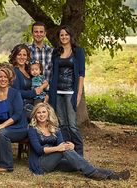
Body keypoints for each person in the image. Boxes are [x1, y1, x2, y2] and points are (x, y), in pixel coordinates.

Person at [28, 103, 130, 180]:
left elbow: (61, 144)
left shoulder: (54, 127)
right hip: (41, 163)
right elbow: (38, 150)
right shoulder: (32, 129)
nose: (41, 115)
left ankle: (113, 175)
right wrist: (60, 148)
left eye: (43, 112)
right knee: (65, 149)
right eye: (38, 112)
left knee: (78, 164)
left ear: (48, 113)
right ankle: (92, 174)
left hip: (55, 161)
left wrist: (70, 146)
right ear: (35, 115)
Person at [49, 25, 85, 156]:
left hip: (71, 92)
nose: (64, 37)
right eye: (61, 35)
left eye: (66, 35)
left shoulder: (78, 51)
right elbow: (52, 72)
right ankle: (68, 153)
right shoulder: (56, 52)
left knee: (72, 124)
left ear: (70, 36)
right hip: (57, 92)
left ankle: (79, 153)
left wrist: (79, 94)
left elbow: (81, 74)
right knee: (62, 123)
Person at [0, 62, 28, 172]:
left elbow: (18, 115)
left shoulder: (15, 93)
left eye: (5, 77)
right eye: (0, 77)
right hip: (0, 125)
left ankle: (6, 165)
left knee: (1, 132)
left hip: (18, 126)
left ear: (9, 79)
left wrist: (2, 126)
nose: (3, 79)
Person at [10, 44, 47, 118]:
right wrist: (34, 92)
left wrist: (44, 92)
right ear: (15, 56)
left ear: (27, 57)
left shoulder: (29, 69)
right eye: (19, 54)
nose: (22, 57)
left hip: (36, 100)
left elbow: (40, 82)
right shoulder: (14, 71)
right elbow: (16, 92)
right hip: (23, 105)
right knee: (40, 116)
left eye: (24, 55)